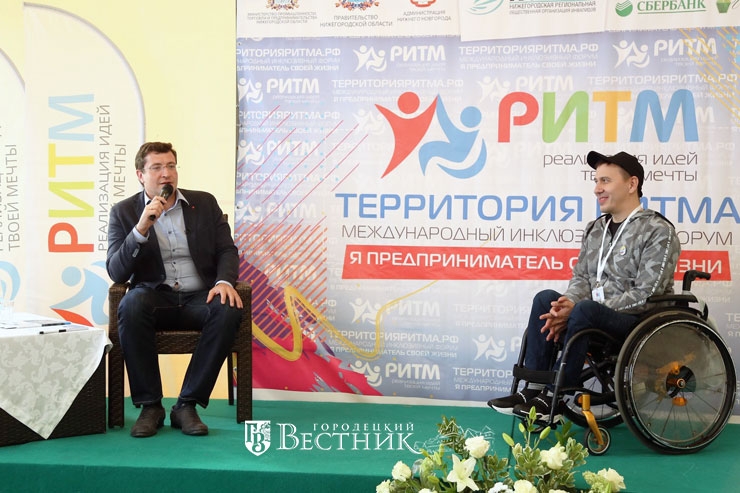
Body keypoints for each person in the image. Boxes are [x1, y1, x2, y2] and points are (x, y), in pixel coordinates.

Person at [488, 150, 681, 423]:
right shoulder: (596, 229)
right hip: (590, 315)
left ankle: (556, 396)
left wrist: (582, 308)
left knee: (585, 309)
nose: (597, 189)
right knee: (545, 299)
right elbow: (582, 278)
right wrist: (566, 304)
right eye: (596, 181)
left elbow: (647, 294)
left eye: (605, 181)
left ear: (631, 184)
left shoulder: (657, 230)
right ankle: (533, 389)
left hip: (636, 320)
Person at [106, 141, 244, 438]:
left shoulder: (203, 203)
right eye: (156, 167)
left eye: (170, 166)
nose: (166, 173)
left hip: (200, 296)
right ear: (140, 175)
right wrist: (141, 229)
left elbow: (227, 250)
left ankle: (187, 404)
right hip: (156, 298)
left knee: (227, 308)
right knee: (131, 304)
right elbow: (116, 272)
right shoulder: (124, 212)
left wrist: (223, 281)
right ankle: (150, 406)